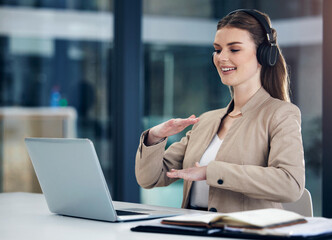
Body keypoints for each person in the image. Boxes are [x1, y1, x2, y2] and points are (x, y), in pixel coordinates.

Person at [135, 9, 305, 213]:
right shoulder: (207, 120)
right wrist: (154, 137)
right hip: (192, 229)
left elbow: (290, 184)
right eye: (217, 49)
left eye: (234, 50)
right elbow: (150, 179)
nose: (221, 57)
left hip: (244, 233)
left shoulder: (280, 114)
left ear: (263, 54)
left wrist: (211, 172)